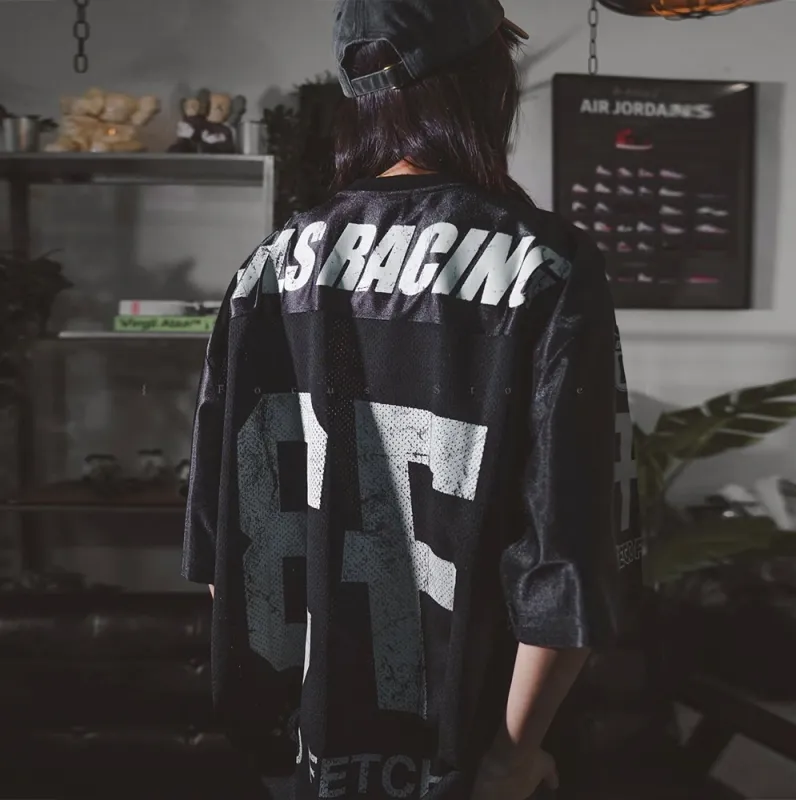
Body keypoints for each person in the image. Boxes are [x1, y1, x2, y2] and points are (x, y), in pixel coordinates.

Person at [181, 0, 642, 798]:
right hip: (469, 739)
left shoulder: (267, 265)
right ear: (487, 82)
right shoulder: (545, 264)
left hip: (306, 750)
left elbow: (225, 550)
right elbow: (567, 549)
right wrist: (514, 754)